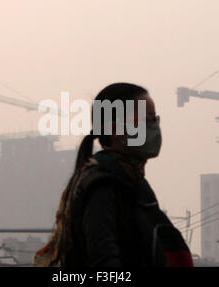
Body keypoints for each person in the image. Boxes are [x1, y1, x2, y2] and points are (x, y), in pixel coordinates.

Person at [33, 82, 193, 267]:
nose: (154, 127)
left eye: (155, 120)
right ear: (116, 130)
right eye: (145, 120)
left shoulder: (135, 184)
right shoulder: (102, 187)